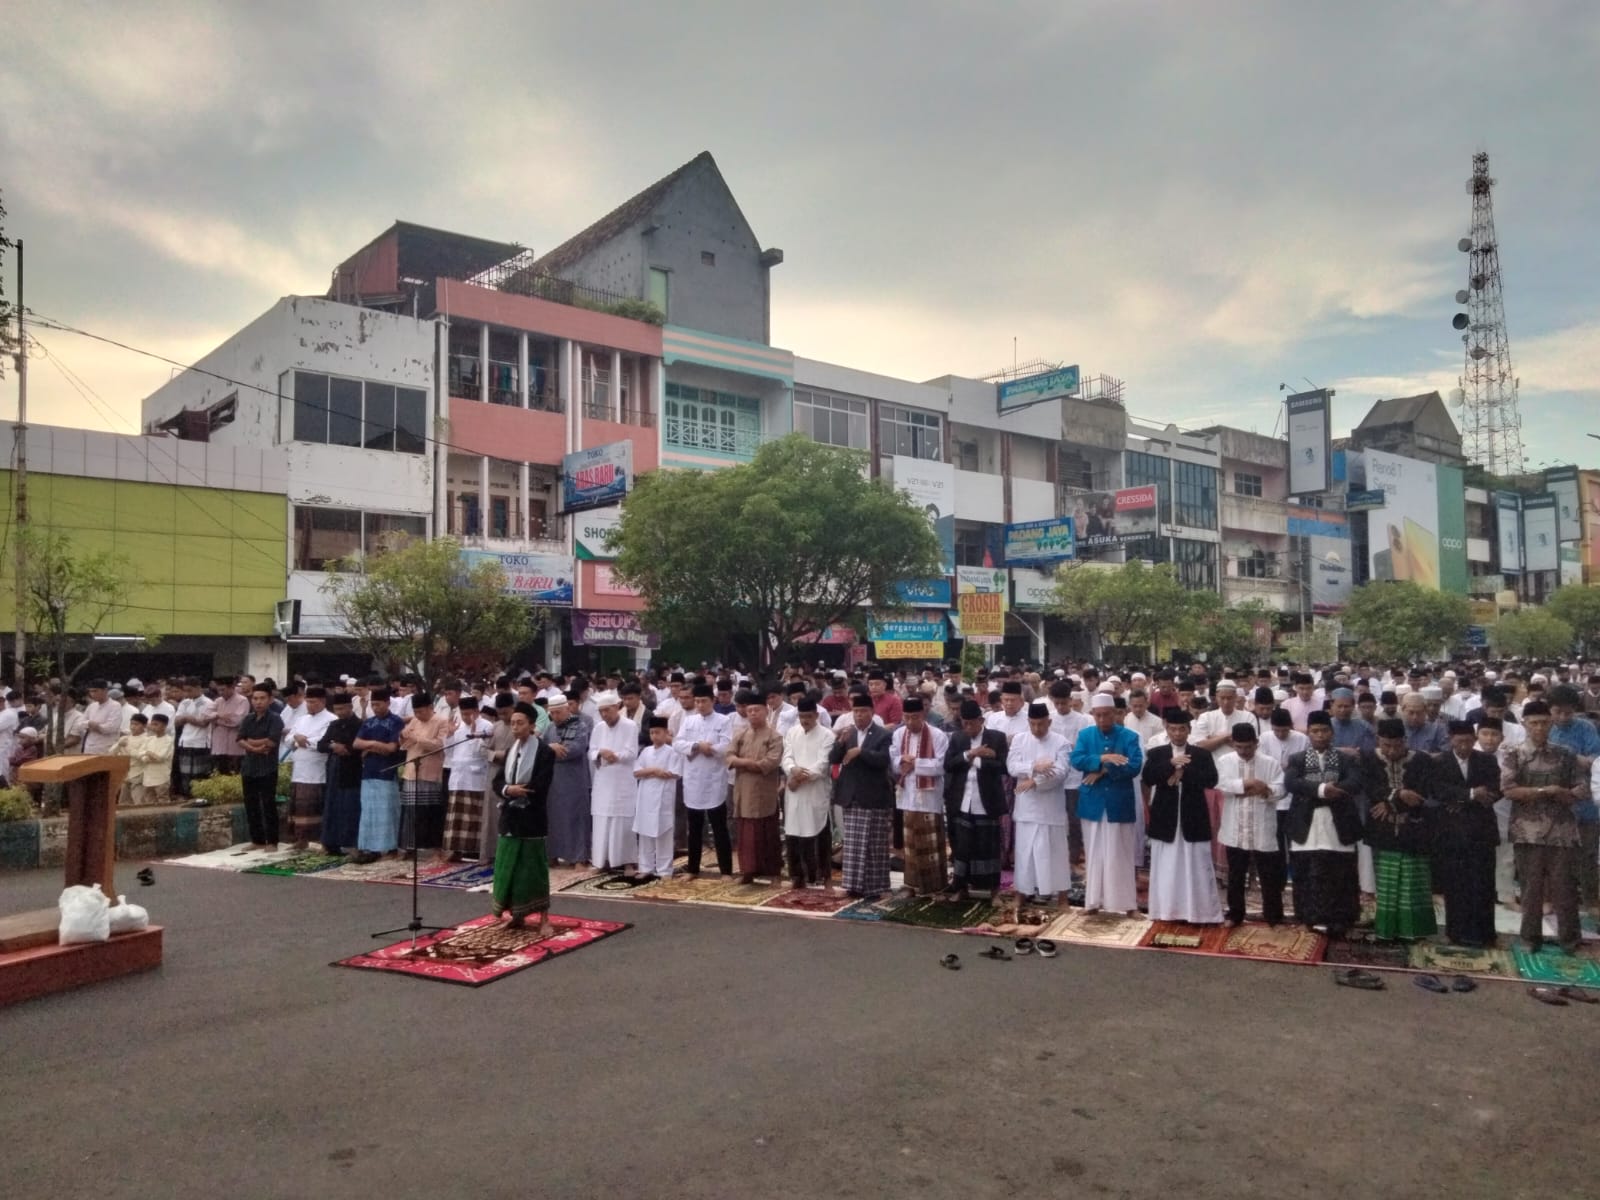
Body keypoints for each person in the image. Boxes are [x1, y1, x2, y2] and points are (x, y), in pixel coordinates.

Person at [1502, 700, 1587, 954]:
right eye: (1534, 723)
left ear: (1550, 724)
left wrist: (1564, 793)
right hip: (1528, 832)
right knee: (1530, 890)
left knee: (1565, 889)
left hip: (1562, 832)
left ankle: (1570, 940)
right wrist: (1543, 791)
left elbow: (1581, 788)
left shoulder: (1565, 754)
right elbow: (1508, 790)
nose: (1540, 728)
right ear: (1525, 724)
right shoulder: (1514, 753)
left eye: (1544, 722)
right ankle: (1530, 939)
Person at [1284, 712, 1364, 937]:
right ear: (1308, 734)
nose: (1320, 735)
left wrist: (1331, 790)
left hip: (1337, 823)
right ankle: (1310, 917)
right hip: (1307, 825)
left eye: (1324, 731)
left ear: (1332, 733)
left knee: (1340, 873)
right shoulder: (1298, 759)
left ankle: (1341, 918)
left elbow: (1355, 782)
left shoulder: (1345, 759)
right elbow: (1291, 783)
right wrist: (1321, 790)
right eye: (1315, 731)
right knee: (1308, 873)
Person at [1142, 710, 1224, 925]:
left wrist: (1183, 772)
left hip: (1193, 816)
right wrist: (1170, 764)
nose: (1177, 733)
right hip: (1165, 817)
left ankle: (1200, 913)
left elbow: (1211, 780)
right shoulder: (1157, 753)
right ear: (1167, 730)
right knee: (1166, 866)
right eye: (1173, 729)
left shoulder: (1201, 754)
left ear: (1189, 730)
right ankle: (1167, 911)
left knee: (1196, 864)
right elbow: (1149, 777)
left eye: (1182, 729)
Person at [1070, 694, 1144, 915]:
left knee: (1120, 854)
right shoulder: (1085, 735)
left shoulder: (1130, 736)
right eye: (1098, 715)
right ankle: (1093, 902)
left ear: (1115, 714)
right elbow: (1076, 760)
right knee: (1094, 854)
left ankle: (1128, 905)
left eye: (1106, 715)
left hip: (1118, 802)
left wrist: (1102, 771)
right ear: (1093, 715)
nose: (1102, 720)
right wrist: (1103, 759)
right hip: (1092, 802)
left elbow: (1134, 767)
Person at [1432, 719, 1502, 947]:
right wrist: (1470, 795)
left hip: (1481, 831)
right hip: (1452, 833)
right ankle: (1456, 932)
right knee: (1456, 885)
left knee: (1482, 884)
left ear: (1474, 740)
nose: (1464, 746)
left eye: (1468, 741)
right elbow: (1437, 790)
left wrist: (1461, 800)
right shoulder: (1440, 762)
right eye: (1460, 741)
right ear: (1451, 741)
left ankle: (1483, 934)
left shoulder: (1487, 760)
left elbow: (1495, 790)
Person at [1367, 718, 1439, 941]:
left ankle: (1413, 930)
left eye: (1396, 745)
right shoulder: (1370, 760)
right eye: (1386, 745)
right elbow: (1370, 788)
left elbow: (1422, 793)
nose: (1390, 751)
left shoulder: (1422, 760)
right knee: (1386, 884)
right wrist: (1397, 795)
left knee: (1412, 881)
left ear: (1405, 741)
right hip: (1383, 830)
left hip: (1415, 828)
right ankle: (1386, 930)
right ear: (1379, 741)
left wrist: (1391, 803)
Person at [491, 702, 557, 933]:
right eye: (513, 724)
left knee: (534, 869)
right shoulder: (511, 751)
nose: (516, 728)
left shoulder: (545, 752)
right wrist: (509, 790)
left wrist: (522, 792)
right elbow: (497, 782)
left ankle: (544, 918)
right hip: (509, 815)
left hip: (532, 817)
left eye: (520, 723)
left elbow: (542, 783)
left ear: (531, 725)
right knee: (510, 868)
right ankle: (516, 915)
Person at [1215, 723, 1287, 926]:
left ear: (1256, 743)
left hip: (1262, 826)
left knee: (1268, 876)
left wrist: (1264, 789)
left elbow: (1281, 789)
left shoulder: (1270, 763)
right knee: (1236, 875)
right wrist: (1245, 784)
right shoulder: (1224, 761)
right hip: (1234, 826)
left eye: (1248, 747)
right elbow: (1220, 783)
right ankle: (1235, 915)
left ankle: (1273, 916)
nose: (1244, 751)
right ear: (1232, 745)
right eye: (1239, 747)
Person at [1008, 701, 1074, 907]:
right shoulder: (1019, 740)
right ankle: (1021, 893)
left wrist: (1034, 781)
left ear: (1049, 721)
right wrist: (1033, 766)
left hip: (1050, 808)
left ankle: (1062, 897)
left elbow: (1060, 772)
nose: (1037, 729)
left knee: (1056, 853)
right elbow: (1011, 766)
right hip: (1026, 807)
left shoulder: (1061, 742)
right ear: (1028, 722)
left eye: (1041, 724)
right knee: (1024, 853)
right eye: (1033, 724)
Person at [832, 692, 896, 899]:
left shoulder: (882, 734)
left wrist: (861, 752)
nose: (859, 715)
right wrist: (840, 743)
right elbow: (833, 758)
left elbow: (883, 760)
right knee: (853, 844)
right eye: (856, 711)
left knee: (875, 845)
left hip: (874, 795)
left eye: (863, 711)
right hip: (851, 794)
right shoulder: (848, 733)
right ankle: (851, 885)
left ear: (872, 712)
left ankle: (878, 887)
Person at [943, 699, 1009, 899]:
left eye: (972, 723)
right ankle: (961, 887)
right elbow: (949, 764)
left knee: (987, 846)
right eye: (965, 723)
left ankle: (992, 888)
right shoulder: (957, 738)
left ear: (981, 720)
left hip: (986, 800)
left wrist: (979, 760)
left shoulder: (996, 738)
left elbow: (1004, 767)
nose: (968, 727)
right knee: (962, 847)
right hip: (962, 800)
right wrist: (970, 754)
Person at [1546, 685, 1600, 914]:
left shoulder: (1586, 728)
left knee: (1587, 854)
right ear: (1550, 710)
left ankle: (1591, 900)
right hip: (1553, 801)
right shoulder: (1543, 727)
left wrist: (1567, 754)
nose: (1562, 717)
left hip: (1584, 801)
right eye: (1557, 712)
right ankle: (1555, 899)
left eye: (1568, 713)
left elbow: (1593, 761)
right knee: (1554, 856)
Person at [675, 682, 733, 877]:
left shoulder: (723, 721)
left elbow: (726, 745)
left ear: (713, 700)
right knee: (695, 827)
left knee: (719, 827)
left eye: (704, 701)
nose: (700, 705)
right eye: (697, 701)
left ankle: (726, 870)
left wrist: (711, 749)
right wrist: (698, 746)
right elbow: (678, 743)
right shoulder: (689, 721)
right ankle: (693, 869)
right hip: (693, 779)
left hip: (714, 778)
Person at [728, 692, 785, 884]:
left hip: (763, 793)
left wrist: (740, 762)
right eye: (749, 710)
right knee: (746, 835)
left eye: (756, 710)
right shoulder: (741, 734)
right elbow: (728, 757)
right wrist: (747, 762)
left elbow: (769, 764)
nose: (752, 713)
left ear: (766, 711)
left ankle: (774, 873)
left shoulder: (775, 736)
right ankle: (748, 872)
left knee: (767, 834)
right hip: (743, 791)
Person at [781, 698, 836, 890]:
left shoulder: (827, 735)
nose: (805, 720)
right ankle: (797, 876)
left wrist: (798, 778)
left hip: (815, 791)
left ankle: (823, 875)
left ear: (816, 715)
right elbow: (786, 756)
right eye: (802, 716)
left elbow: (822, 765)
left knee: (819, 832)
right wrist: (792, 770)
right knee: (794, 832)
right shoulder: (792, 732)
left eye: (808, 716)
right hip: (795, 792)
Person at [352, 689, 406, 863]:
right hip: (368, 772)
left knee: (387, 812)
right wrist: (374, 745)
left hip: (387, 771)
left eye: (378, 704)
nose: (375, 708)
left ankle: (389, 847)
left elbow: (391, 748)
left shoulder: (396, 722)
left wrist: (370, 746)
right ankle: (369, 848)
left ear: (388, 703)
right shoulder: (369, 723)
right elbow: (356, 743)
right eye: (373, 705)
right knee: (369, 812)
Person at [588, 690, 639, 872]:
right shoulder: (598, 728)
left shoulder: (630, 726)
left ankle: (627, 861)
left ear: (617, 707)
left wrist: (615, 756)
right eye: (601, 711)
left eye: (607, 710)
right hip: (604, 780)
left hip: (623, 780)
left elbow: (632, 752)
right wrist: (601, 753)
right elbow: (591, 751)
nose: (604, 714)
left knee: (622, 821)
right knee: (602, 819)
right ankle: (601, 862)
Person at [442, 696, 495, 861]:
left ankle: (476, 850)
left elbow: (481, 752)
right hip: (458, 775)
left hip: (476, 775)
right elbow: (449, 753)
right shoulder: (458, 727)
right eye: (463, 714)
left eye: (468, 714)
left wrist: (473, 734)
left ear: (477, 712)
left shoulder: (487, 727)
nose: (465, 717)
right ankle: (456, 850)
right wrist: (449, 735)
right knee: (456, 816)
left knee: (474, 815)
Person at [633, 716, 684, 882]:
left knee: (664, 833)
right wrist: (654, 770)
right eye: (652, 733)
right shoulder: (646, 751)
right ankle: (645, 867)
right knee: (645, 833)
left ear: (666, 733)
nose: (655, 736)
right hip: (645, 796)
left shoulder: (672, 752)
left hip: (663, 796)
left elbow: (674, 773)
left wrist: (652, 772)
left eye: (658, 732)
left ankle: (664, 870)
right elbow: (636, 772)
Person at [399, 693, 450, 860]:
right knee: (410, 812)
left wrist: (417, 738)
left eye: (421, 711)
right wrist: (403, 737)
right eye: (416, 712)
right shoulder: (414, 721)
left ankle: (435, 848)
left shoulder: (442, 721)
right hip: (411, 770)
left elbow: (440, 745)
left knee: (430, 812)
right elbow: (405, 744)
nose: (418, 715)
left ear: (430, 708)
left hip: (431, 772)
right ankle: (409, 848)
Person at [285, 685, 334, 850]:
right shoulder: (302, 719)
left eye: (313, 702)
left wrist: (304, 740)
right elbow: (289, 738)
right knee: (298, 807)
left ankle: (321, 841)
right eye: (308, 702)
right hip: (299, 769)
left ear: (322, 702)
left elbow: (321, 741)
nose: (309, 705)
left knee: (315, 806)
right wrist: (297, 738)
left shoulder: (331, 719)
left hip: (317, 770)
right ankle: (301, 839)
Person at [237, 685, 285, 849]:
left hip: (267, 767)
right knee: (251, 804)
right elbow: (240, 739)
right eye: (255, 699)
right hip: (249, 766)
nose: (258, 702)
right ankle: (257, 840)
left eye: (262, 698)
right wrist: (255, 747)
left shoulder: (275, 718)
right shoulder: (249, 718)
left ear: (270, 699)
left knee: (268, 804)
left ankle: (272, 841)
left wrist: (251, 742)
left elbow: (272, 741)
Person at [318, 693, 363, 857]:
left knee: (350, 809)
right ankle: (331, 843)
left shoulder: (359, 724)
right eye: (336, 709)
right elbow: (321, 744)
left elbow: (359, 746)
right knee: (332, 808)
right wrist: (333, 746)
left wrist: (345, 749)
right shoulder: (334, 724)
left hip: (351, 771)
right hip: (333, 771)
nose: (339, 712)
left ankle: (351, 843)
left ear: (350, 707)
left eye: (342, 708)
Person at [208, 677, 248, 774]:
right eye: (219, 690)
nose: (221, 692)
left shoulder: (242, 700)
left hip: (235, 745)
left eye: (223, 690)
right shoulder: (217, 701)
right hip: (219, 744)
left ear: (232, 688)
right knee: (219, 773)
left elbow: (236, 721)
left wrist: (217, 721)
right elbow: (206, 715)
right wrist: (219, 715)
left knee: (234, 774)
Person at [80, 681, 123, 756]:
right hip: (89, 747)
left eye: (95, 691)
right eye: (90, 691)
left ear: (105, 690)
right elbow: (80, 724)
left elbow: (111, 728)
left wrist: (97, 726)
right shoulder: (91, 706)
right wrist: (90, 724)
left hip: (106, 748)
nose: (92, 694)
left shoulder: (115, 706)